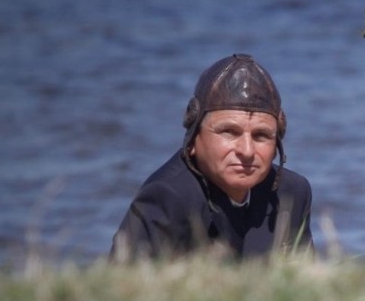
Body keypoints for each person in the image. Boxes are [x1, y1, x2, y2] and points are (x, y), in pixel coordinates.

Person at [111, 54, 313, 261]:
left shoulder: (292, 193)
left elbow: (306, 282)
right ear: (193, 140)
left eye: (261, 136)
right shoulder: (168, 197)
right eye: (229, 132)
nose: (247, 150)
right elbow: (124, 287)